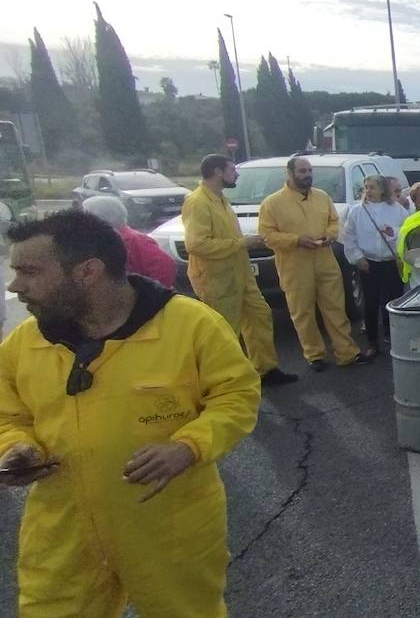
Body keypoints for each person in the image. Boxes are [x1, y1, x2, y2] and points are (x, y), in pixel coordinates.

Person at [0, 210, 262, 617]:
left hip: (167, 528)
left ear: (87, 272)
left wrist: (188, 447)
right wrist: (17, 447)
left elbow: (237, 395)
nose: (16, 286)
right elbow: (8, 415)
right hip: (61, 531)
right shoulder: (25, 342)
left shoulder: (189, 325)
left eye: (30, 271)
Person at [181, 155, 295, 385]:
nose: (236, 174)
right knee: (224, 331)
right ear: (217, 172)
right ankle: (224, 381)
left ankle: (266, 369)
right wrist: (243, 243)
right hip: (216, 279)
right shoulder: (198, 202)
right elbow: (196, 245)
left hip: (240, 275)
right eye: (232, 169)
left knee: (260, 316)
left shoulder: (220, 198)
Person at [258, 157, 362, 371]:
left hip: (325, 260)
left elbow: (334, 221)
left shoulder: (322, 197)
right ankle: (315, 355)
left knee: (335, 307)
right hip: (295, 265)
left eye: (309, 171)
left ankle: (347, 353)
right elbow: (267, 235)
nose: (307, 175)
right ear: (290, 173)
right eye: (302, 171)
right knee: (302, 312)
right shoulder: (272, 203)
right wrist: (296, 240)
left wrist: (329, 236)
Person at [341, 175, 408, 359]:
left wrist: (393, 231)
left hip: (390, 262)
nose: (368, 191)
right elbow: (349, 237)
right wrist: (358, 258)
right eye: (366, 187)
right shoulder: (357, 211)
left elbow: (407, 230)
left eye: (372, 187)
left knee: (395, 301)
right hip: (368, 263)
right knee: (370, 303)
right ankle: (372, 342)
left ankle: (396, 338)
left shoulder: (397, 209)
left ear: (382, 189)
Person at [82, 195, 177, 289]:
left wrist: (150, 295)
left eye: (86, 217)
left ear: (106, 219)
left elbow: (165, 265)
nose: (82, 222)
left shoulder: (134, 240)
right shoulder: (99, 240)